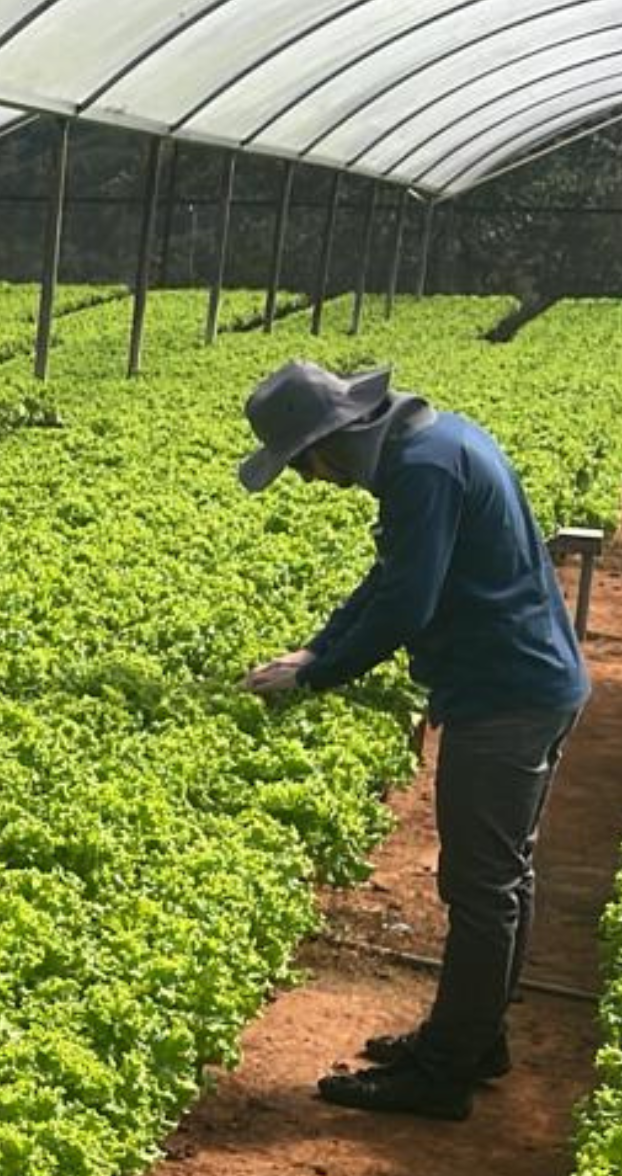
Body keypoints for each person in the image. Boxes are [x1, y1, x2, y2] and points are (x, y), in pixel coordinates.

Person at [238, 358, 587, 1121]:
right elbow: (392, 574)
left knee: (481, 886)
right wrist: (314, 649)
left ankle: (443, 1073)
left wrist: (315, 676)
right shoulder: (428, 444)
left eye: (299, 466)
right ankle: (472, 1036)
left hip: (505, 695)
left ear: (326, 444)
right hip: (526, 681)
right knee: (504, 877)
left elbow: (406, 601)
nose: (307, 481)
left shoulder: (422, 471)